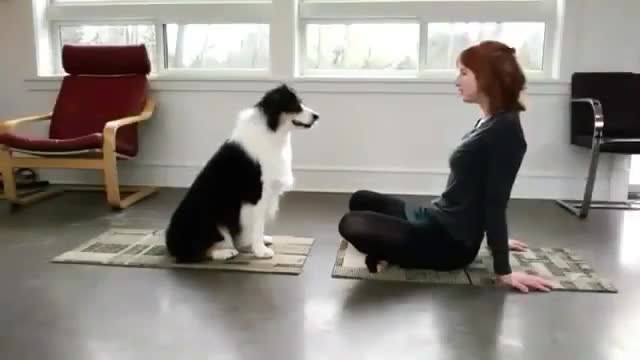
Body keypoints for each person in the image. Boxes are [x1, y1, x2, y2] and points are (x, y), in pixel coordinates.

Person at [337, 40, 553, 293]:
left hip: (450, 243)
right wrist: (495, 240)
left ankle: (394, 251)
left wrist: (503, 269)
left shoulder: (506, 133)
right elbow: (474, 189)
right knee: (360, 199)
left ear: (487, 79)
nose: (457, 80)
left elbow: (495, 202)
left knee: (351, 223)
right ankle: (391, 246)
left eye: (464, 73)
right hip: (435, 217)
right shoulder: (489, 121)